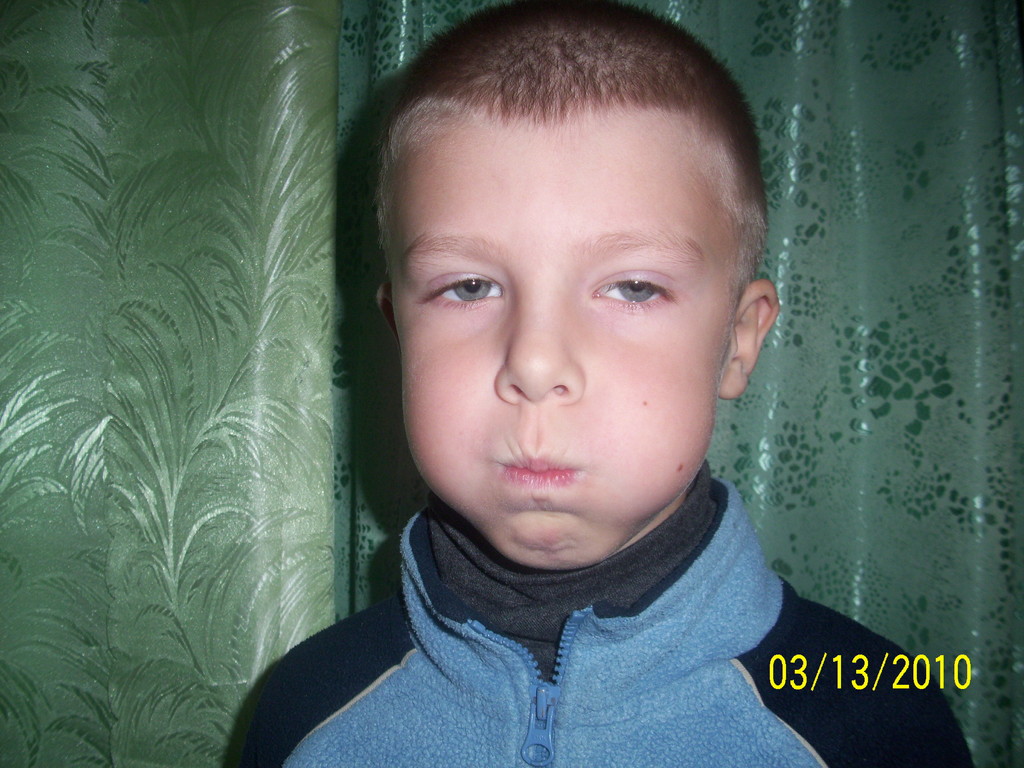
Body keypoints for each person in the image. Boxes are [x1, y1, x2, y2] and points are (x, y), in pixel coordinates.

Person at [240, 1, 973, 765]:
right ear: (399, 333)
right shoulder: (307, 709)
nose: (535, 363)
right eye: (468, 287)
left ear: (737, 342)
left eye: (632, 288)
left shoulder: (882, 713)